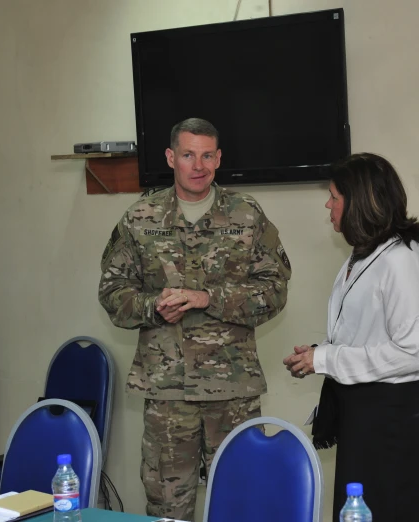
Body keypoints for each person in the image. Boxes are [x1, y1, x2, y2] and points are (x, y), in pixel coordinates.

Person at [99, 118, 292, 521]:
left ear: (219, 159)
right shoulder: (141, 218)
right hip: (168, 394)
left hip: (232, 390)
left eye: (207, 155)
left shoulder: (247, 216)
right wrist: (153, 306)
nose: (198, 165)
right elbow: (112, 293)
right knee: (167, 509)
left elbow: (274, 291)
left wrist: (209, 298)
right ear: (171, 158)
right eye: (188, 155)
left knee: (242, 502)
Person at [283, 153, 419, 522]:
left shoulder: (402, 260)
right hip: (366, 408)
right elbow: (365, 331)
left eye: (335, 197)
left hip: (391, 415)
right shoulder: (366, 254)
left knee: (386, 507)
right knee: (359, 505)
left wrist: (327, 360)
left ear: (360, 203)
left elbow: (415, 351)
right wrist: (320, 354)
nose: (328, 204)